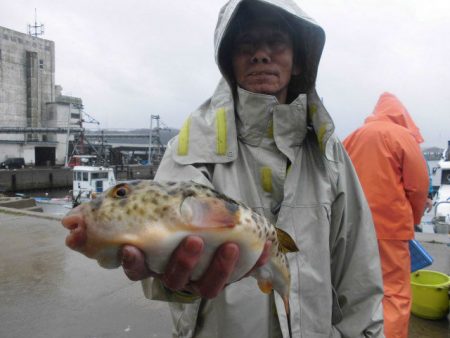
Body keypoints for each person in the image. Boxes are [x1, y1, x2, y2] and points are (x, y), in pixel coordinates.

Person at [122, 1, 384, 337]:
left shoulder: (329, 155)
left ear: (300, 60)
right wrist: (169, 275)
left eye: (276, 42)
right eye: (246, 44)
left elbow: (359, 273)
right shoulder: (190, 149)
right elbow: (162, 265)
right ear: (230, 62)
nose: (261, 54)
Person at [343, 92, 429, 338]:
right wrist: (413, 221)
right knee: (393, 294)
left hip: (353, 229)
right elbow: (419, 186)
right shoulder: (402, 136)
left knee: (357, 289)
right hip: (390, 230)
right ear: (402, 114)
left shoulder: (352, 137)